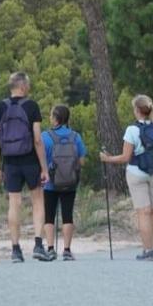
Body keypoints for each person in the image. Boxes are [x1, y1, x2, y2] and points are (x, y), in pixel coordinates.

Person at [100, 95, 153, 261]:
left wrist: (108, 159)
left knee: (143, 212)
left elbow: (125, 157)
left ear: (137, 110)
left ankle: (148, 251)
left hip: (137, 172)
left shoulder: (132, 130)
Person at [0, 72, 50, 263]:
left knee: (14, 203)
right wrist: (44, 168)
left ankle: (15, 250)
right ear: (23, 86)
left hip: (10, 162)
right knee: (38, 201)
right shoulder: (31, 106)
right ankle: (38, 245)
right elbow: (38, 140)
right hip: (30, 160)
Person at [42, 105, 87, 261]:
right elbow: (82, 161)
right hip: (70, 181)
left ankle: (50, 249)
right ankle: (67, 250)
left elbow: (40, 158)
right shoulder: (76, 137)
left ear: (55, 118)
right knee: (68, 215)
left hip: (50, 182)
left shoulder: (45, 136)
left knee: (49, 215)